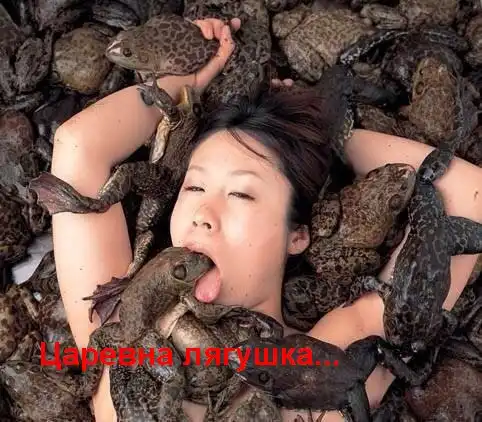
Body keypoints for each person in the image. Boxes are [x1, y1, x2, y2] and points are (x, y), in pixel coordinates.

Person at [49, 17, 482, 422]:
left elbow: (466, 193)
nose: (203, 214)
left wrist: (321, 142)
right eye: (193, 188)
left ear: (297, 235)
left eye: (241, 194)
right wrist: (185, 84)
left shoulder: (322, 366)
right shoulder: (121, 335)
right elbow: (77, 145)